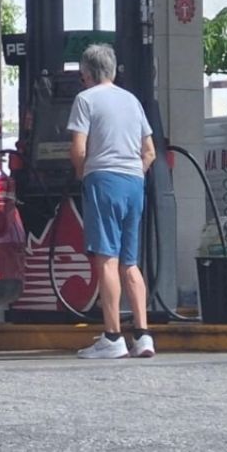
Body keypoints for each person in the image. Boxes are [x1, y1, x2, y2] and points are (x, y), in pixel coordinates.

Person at [67, 44, 157, 359]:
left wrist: (83, 174)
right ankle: (143, 336)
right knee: (130, 262)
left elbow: (78, 148)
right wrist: (133, 173)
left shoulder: (85, 99)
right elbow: (150, 152)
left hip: (103, 180)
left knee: (107, 259)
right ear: (113, 70)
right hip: (134, 182)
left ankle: (113, 336)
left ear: (86, 73)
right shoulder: (132, 100)